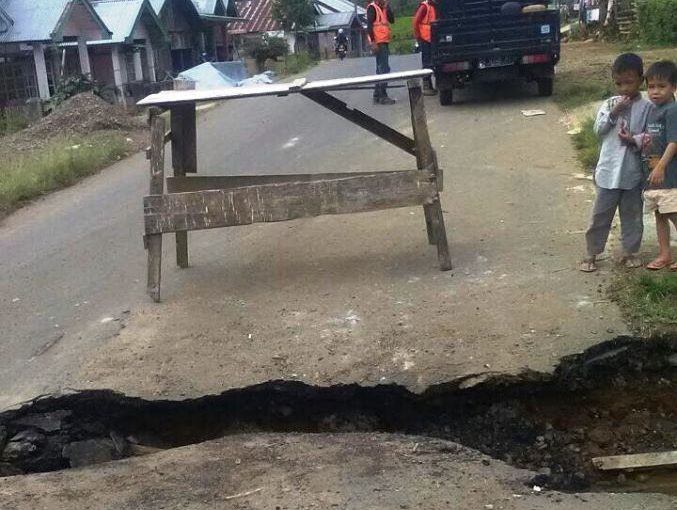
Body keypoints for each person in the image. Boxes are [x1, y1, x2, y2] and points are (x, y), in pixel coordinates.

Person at [580, 53, 653, 272]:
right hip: (608, 172)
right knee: (600, 215)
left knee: (632, 215)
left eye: (629, 83)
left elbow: (651, 136)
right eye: (618, 83)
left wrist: (634, 140)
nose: (623, 88)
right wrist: (614, 112)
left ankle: (630, 251)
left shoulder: (647, 107)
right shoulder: (609, 103)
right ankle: (592, 253)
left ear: (641, 79)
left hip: (632, 174)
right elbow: (598, 131)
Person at [636, 61, 677, 270]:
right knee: (659, 214)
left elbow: (674, 142)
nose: (655, 91)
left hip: (669, 176)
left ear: (674, 87)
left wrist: (661, 166)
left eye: (661, 86)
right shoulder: (653, 109)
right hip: (653, 176)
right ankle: (664, 254)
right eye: (651, 86)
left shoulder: (672, 110)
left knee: (673, 213)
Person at [367, 0, 395, 105]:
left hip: (384, 40)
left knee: (380, 69)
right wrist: (373, 42)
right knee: (384, 69)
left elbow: (392, 20)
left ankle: (377, 94)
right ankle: (383, 95)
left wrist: (388, 8)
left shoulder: (383, 8)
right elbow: (369, 26)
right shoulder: (372, 8)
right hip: (379, 42)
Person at [412, 0, 438, 95]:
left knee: (433, 61)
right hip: (426, 37)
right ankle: (427, 86)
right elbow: (416, 21)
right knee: (427, 62)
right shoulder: (425, 6)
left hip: (433, 37)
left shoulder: (435, 5)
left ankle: (430, 86)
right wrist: (418, 36)